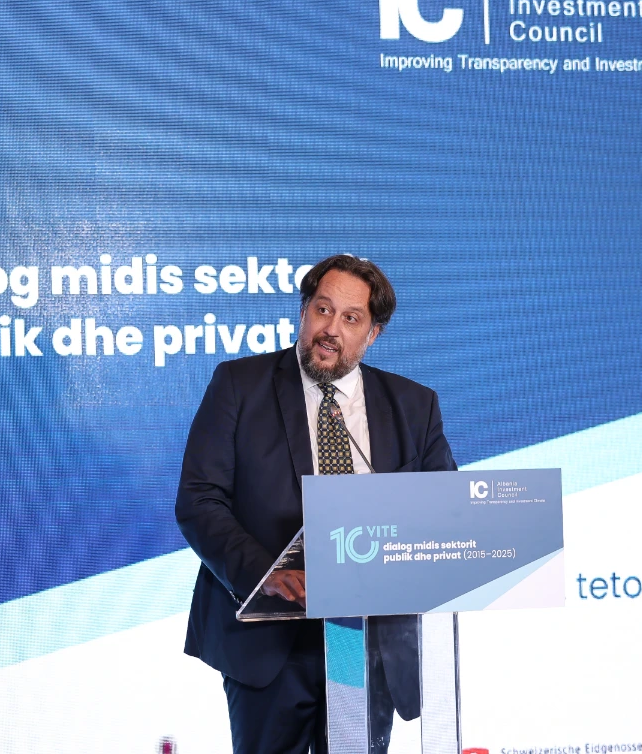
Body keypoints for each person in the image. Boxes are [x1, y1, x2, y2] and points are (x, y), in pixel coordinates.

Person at [175, 254, 457, 753]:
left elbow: (446, 512)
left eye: (351, 318)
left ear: (372, 334)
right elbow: (200, 500)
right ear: (303, 311)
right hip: (272, 641)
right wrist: (266, 576)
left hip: (365, 641)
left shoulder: (414, 405)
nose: (331, 329)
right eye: (323, 310)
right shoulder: (239, 385)